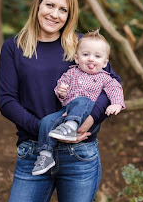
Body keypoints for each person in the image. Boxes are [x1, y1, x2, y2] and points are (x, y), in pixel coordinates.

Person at [0, 0, 120, 202]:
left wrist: (90, 119)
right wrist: (46, 131)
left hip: (78, 154)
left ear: (70, 14)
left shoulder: (82, 44)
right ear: (38, 6)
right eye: (49, 5)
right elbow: (7, 101)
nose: (54, 14)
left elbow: (111, 84)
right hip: (33, 151)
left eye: (63, 9)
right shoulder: (14, 47)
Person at [32, 29, 125, 176]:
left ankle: (71, 126)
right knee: (46, 121)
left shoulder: (105, 77)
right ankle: (45, 154)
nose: (91, 59)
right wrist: (61, 91)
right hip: (68, 112)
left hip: (87, 116)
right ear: (76, 58)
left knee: (82, 100)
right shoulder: (71, 72)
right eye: (86, 54)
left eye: (97, 56)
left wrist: (117, 104)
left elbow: (115, 89)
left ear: (105, 62)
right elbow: (61, 86)